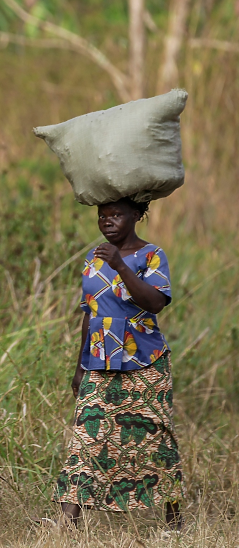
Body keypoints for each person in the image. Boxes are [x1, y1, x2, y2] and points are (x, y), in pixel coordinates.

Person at [52, 198, 183, 529]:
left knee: (157, 439)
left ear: (137, 216)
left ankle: (175, 521)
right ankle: (68, 522)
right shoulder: (93, 259)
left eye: (116, 215)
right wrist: (80, 366)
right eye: (102, 216)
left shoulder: (152, 255)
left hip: (146, 362)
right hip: (99, 360)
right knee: (86, 436)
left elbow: (155, 303)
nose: (107, 221)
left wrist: (121, 267)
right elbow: (90, 313)